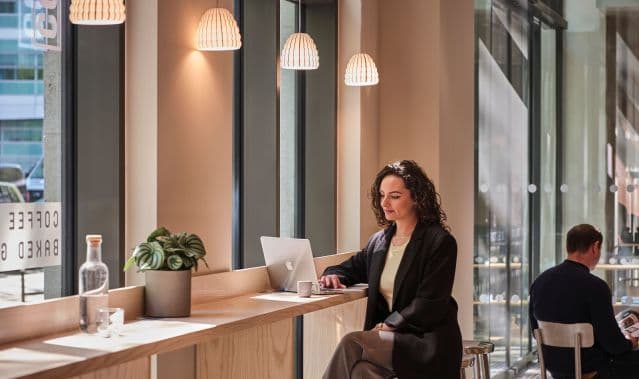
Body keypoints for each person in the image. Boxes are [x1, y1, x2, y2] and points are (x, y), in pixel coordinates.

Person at [320, 160, 462, 379]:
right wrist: (333, 275)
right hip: (391, 339)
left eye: (395, 196)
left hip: (424, 341)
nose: (385, 202)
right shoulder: (379, 241)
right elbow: (352, 267)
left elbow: (430, 303)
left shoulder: (440, 242)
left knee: (352, 342)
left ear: (416, 197)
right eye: (381, 195)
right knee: (360, 372)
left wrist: (389, 324)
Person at [529, 224, 639, 379]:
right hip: (591, 370)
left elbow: (535, 330)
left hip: (554, 367)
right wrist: (630, 342)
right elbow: (613, 344)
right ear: (595, 247)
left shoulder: (539, 282)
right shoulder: (596, 287)